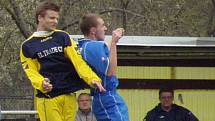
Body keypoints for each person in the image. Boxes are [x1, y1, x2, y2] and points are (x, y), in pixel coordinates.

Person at [19, 1, 105, 121]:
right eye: (52, 18)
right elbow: (31, 73)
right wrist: (42, 83)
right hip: (49, 98)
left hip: (69, 95)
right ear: (40, 18)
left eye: (57, 18)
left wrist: (92, 78)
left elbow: (78, 61)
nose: (55, 21)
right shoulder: (28, 45)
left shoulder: (63, 36)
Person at [78, 13, 129, 121]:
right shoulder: (92, 46)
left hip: (106, 96)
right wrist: (114, 42)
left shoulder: (86, 46)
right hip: (106, 96)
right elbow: (110, 71)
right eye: (102, 25)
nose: (105, 28)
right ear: (93, 30)